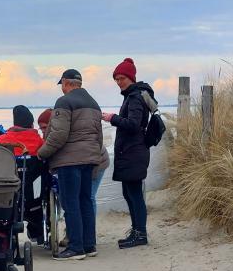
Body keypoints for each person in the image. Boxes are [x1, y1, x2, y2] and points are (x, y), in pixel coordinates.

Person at [37, 69, 104, 260]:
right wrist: (94, 156)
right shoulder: (94, 104)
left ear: (66, 83)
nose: (62, 89)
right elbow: (98, 136)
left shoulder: (64, 102)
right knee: (85, 201)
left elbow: (58, 135)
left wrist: (42, 153)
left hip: (69, 161)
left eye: (62, 85)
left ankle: (76, 247)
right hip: (90, 158)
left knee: (71, 202)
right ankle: (89, 245)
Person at [101, 58, 157, 248]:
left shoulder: (135, 97)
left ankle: (140, 234)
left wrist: (112, 118)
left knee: (134, 194)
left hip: (134, 152)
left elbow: (134, 124)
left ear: (131, 78)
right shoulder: (133, 95)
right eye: (116, 78)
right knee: (129, 192)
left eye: (122, 78)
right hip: (132, 151)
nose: (119, 82)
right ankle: (136, 231)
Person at [0, 105, 45, 241]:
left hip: (8, 191)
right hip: (33, 194)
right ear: (31, 123)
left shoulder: (1, 140)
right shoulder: (37, 140)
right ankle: (37, 233)